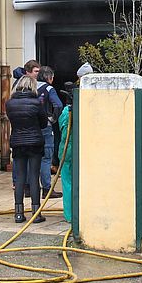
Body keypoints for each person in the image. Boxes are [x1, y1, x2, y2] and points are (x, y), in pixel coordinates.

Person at [5, 76, 47, 223]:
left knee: (20, 177)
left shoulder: (10, 103)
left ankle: (18, 213)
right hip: (35, 142)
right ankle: (36, 214)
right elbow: (43, 123)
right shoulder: (37, 102)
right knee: (34, 177)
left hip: (18, 142)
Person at [36, 66, 63, 199]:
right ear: (49, 77)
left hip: (31, 127)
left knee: (32, 158)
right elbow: (58, 105)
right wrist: (52, 119)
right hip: (45, 127)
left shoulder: (29, 87)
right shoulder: (48, 89)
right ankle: (47, 189)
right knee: (46, 158)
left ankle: (29, 188)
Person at [57, 90, 74, 223]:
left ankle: (69, 214)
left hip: (66, 149)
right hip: (77, 148)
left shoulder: (65, 113)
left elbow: (61, 127)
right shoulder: (81, 110)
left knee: (67, 181)